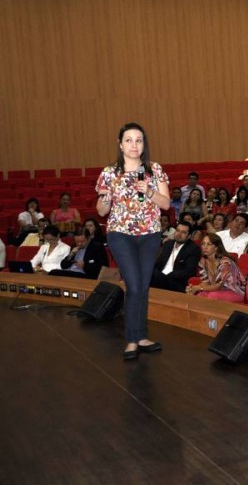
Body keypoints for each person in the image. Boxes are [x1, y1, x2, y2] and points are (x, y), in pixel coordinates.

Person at [96, 122, 170, 360]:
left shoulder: (155, 169)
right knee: (134, 285)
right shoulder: (109, 172)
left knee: (143, 286)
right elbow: (100, 211)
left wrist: (149, 191)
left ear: (144, 144)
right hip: (120, 234)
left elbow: (166, 204)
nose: (134, 145)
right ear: (120, 144)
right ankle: (131, 339)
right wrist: (106, 201)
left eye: (138, 140)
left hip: (149, 234)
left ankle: (141, 336)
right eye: (128, 140)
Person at [187, 233, 245, 302]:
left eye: (209, 244)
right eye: (203, 244)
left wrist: (198, 288)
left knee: (211, 296)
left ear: (216, 247)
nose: (205, 247)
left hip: (235, 292)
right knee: (200, 295)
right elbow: (205, 283)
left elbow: (218, 286)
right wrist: (192, 288)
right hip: (217, 291)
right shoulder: (203, 262)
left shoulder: (225, 262)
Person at [150, 221, 202, 292]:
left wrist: (170, 275)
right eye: (178, 230)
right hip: (159, 277)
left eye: (183, 232)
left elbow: (189, 271)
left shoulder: (193, 249)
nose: (179, 234)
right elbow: (159, 263)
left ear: (189, 236)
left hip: (176, 282)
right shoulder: (168, 244)